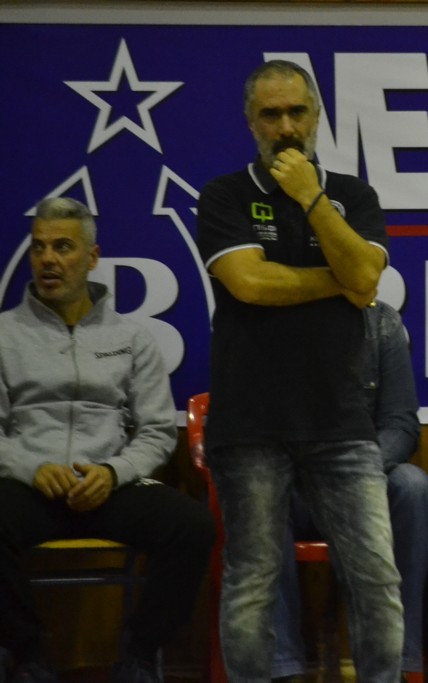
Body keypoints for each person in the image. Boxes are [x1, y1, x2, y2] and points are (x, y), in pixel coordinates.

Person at [195, 60, 402, 683]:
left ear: (316, 117)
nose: (285, 127)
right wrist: (341, 283)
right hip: (250, 424)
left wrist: (311, 198)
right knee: (252, 582)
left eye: (296, 112)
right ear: (250, 121)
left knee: (377, 577)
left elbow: (366, 275)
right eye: (271, 114)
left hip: (340, 422)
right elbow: (250, 284)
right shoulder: (224, 195)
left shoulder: (353, 196)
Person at [0, 197, 215, 683]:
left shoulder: (132, 338)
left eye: (63, 247)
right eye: (38, 247)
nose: (48, 259)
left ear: (92, 257)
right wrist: (32, 467)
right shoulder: (4, 335)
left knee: (192, 525)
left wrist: (113, 472)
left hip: (107, 486)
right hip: (30, 485)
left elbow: (157, 431)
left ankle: (138, 656)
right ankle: (29, 657)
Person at [270, 300, 428, 683]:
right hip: (295, 485)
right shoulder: (265, 319)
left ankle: (395, 663)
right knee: (260, 494)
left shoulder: (381, 322)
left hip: (364, 480)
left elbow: (401, 424)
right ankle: (281, 667)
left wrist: (356, 473)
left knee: (413, 487)